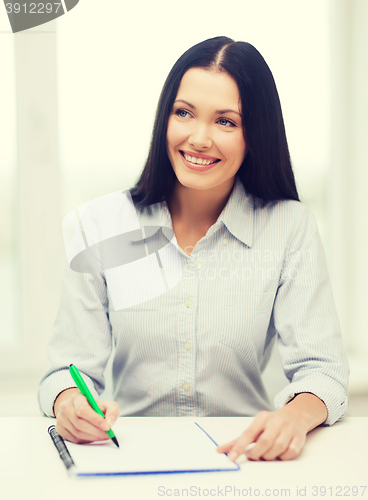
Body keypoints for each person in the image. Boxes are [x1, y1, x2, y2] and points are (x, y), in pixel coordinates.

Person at [38, 36, 349, 461]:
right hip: (128, 457)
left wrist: (293, 417)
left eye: (226, 121)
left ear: (255, 135)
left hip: (243, 459)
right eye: (183, 113)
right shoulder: (100, 225)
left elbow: (323, 371)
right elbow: (65, 371)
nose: (199, 138)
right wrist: (69, 402)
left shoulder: (289, 227)